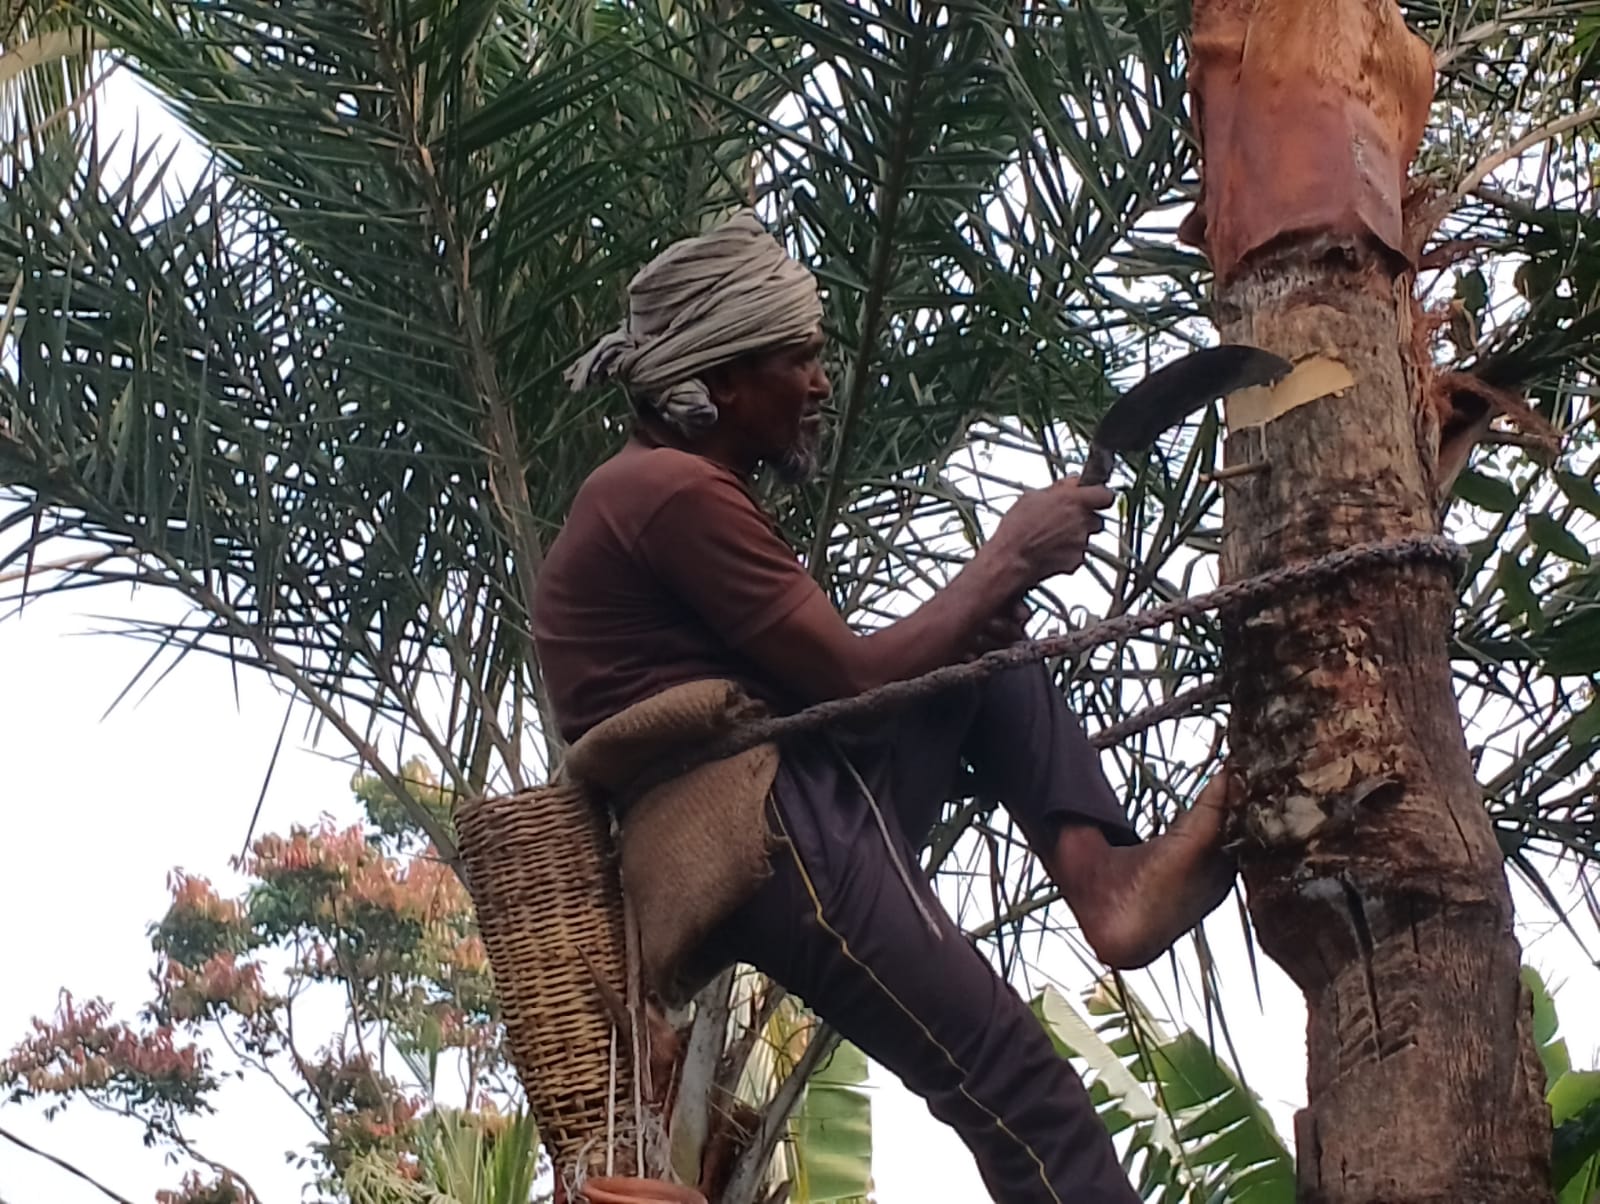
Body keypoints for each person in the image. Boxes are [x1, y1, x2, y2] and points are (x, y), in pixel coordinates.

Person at [534, 210, 1238, 1204]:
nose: (821, 382)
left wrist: (990, 602)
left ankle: (1104, 884)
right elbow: (856, 682)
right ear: (724, 380)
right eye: (800, 358)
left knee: (991, 656)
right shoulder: (666, 492)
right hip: (771, 835)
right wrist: (1005, 557)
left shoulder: (666, 489)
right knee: (1015, 1087)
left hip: (802, 798)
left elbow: (851, 693)